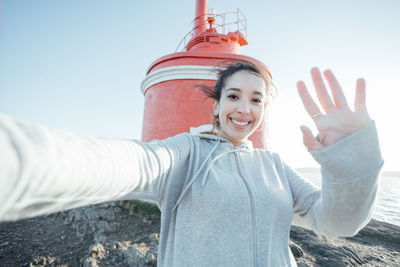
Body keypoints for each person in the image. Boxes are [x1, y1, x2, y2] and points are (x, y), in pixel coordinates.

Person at [0, 60, 383, 266]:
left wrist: (348, 160)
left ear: (264, 110)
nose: (244, 109)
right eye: (234, 96)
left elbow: (339, 223)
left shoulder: (275, 165)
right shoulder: (186, 151)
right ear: (216, 106)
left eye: (256, 99)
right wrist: (17, 159)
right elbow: (132, 162)